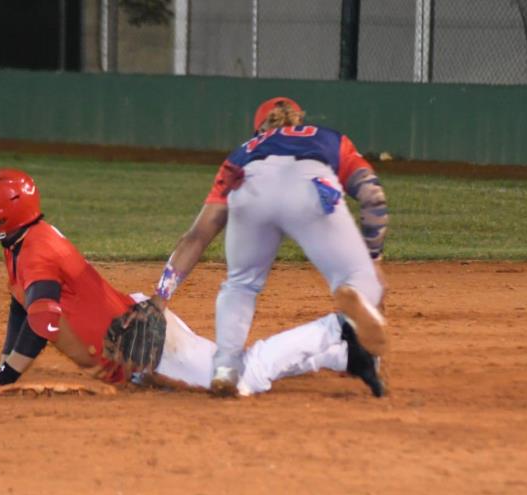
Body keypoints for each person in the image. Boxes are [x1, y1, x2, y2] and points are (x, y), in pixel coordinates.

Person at [0, 168, 383, 397]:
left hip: (143, 341)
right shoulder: (22, 242)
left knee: (243, 377)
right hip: (128, 333)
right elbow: (23, 306)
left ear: (5, 216)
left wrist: (4, 380)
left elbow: (43, 322)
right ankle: (343, 357)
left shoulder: (35, 250)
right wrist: (4, 367)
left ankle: (336, 329)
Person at [150, 96, 389, 396]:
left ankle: (225, 366)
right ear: (299, 121)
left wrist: (160, 297)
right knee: (363, 284)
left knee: (240, 284)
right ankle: (350, 334)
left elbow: (196, 237)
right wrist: (373, 259)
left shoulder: (241, 154)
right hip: (312, 185)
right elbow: (372, 196)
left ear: (258, 132)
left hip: (251, 187)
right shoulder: (329, 139)